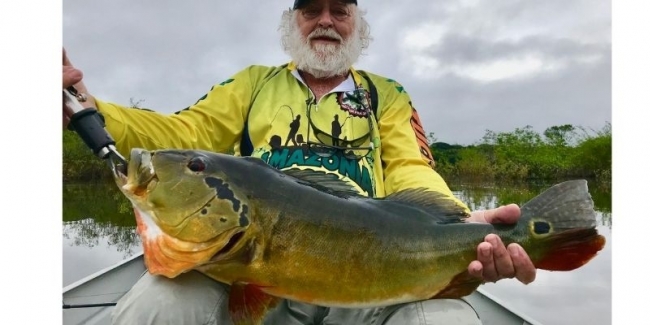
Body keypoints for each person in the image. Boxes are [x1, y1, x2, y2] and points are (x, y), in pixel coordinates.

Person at [63, 0, 536, 324]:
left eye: (338, 10)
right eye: (311, 10)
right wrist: (86, 104)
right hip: (243, 265)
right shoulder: (252, 84)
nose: (325, 20)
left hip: (372, 267)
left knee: (445, 319)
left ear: (357, 23)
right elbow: (186, 135)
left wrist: (460, 219)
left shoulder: (386, 95)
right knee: (156, 306)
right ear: (293, 23)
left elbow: (412, 167)